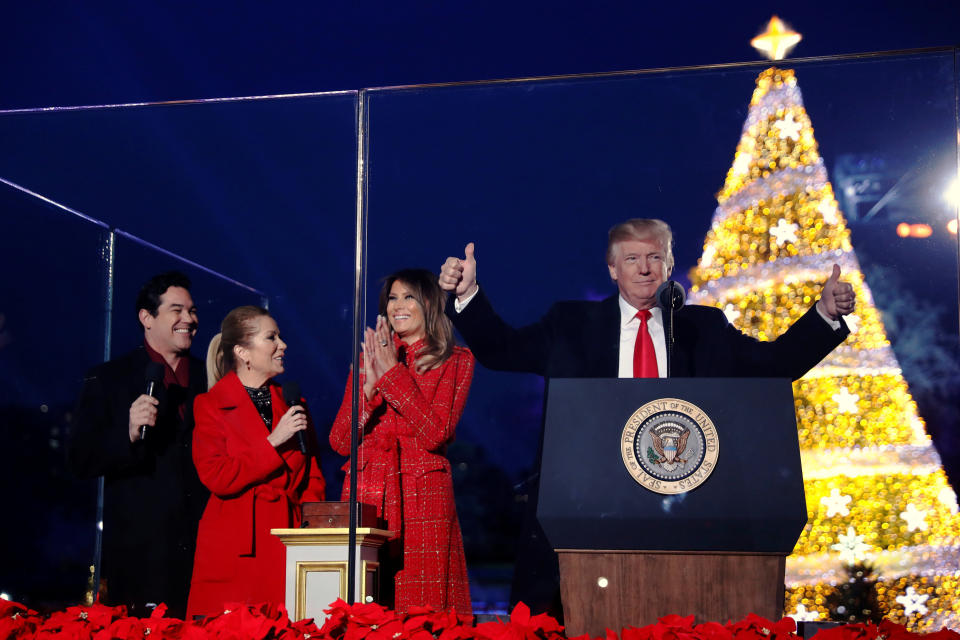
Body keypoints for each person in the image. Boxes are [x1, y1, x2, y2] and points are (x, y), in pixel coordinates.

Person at [438, 217, 856, 613]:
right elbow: (502, 350)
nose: (644, 269)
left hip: (679, 507)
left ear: (670, 265)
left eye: (655, 257)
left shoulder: (701, 328)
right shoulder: (571, 324)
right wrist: (467, 297)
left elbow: (772, 366)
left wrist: (824, 317)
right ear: (612, 269)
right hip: (584, 504)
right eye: (632, 259)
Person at [330, 268, 474, 620]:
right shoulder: (368, 359)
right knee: (365, 606)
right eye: (392, 298)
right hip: (368, 495)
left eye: (408, 296)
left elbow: (435, 433)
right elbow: (339, 441)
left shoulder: (455, 360)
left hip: (422, 497)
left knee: (424, 611)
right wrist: (368, 386)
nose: (398, 305)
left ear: (428, 303)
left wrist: (392, 375)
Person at [70, 271, 209, 618]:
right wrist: (128, 433)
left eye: (192, 311)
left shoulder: (212, 376)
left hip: (205, 546)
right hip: (140, 554)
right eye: (176, 310)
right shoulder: (108, 377)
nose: (188, 320)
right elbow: (81, 459)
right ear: (146, 318)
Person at [186, 306, 325, 618]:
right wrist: (273, 441)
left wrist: (307, 533)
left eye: (281, 336)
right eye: (271, 337)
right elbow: (216, 475)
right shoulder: (209, 405)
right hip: (235, 545)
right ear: (242, 352)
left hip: (287, 540)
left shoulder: (294, 403)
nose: (283, 345)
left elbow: (312, 475)